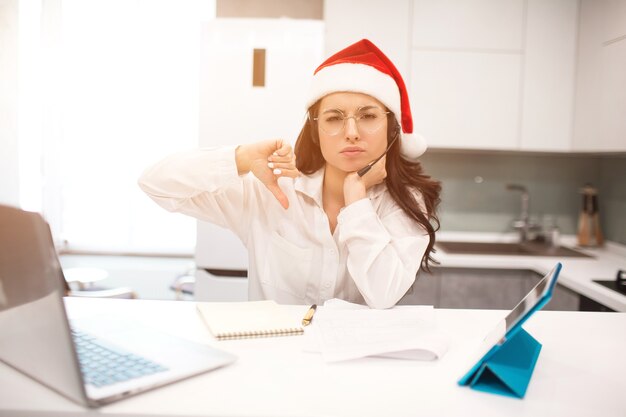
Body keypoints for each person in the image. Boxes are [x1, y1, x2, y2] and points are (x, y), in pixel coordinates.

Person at [138, 39, 441, 309]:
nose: (351, 133)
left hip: (353, 369)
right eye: (334, 118)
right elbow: (156, 184)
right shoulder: (273, 189)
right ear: (315, 129)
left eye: (368, 116)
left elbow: (383, 294)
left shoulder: (404, 201)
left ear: (392, 128)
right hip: (271, 362)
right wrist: (241, 158)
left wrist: (358, 201)